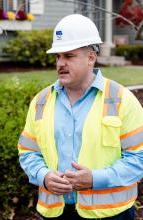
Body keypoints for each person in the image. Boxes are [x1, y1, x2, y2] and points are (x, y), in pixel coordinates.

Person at [18, 14, 143, 220]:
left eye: (69, 56)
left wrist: (95, 179)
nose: (60, 63)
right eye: (58, 56)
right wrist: (44, 176)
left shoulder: (121, 99)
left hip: (111, 214)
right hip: (56, 213)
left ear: (91, 58)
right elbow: (28, 152)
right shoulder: (41, 101)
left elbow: (139, 157)